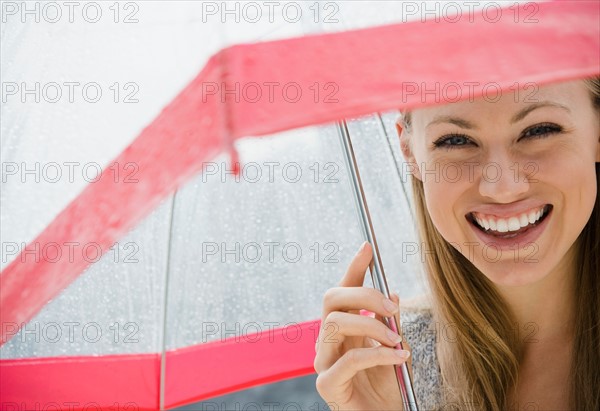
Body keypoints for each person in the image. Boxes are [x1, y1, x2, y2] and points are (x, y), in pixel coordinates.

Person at [313, 77, 600, 411]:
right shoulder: (394, 369)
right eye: (455, 140)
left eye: (539, 130)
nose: (502, 187)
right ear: (410, 151)